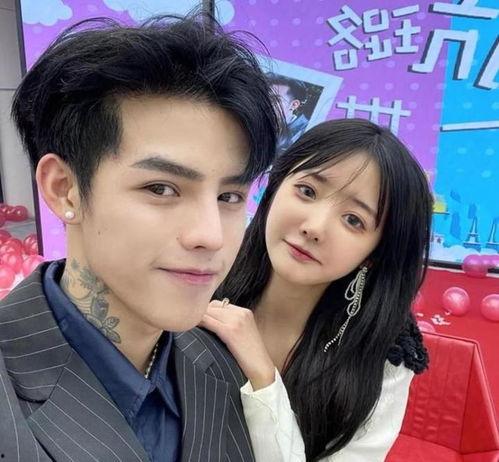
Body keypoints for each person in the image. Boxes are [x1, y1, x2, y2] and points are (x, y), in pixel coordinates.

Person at [0, 14, 280, 461]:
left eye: (230, 196)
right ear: (64, 189)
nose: (211, 236)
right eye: (161, 189)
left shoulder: (225, 361)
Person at [201, 118, 432, 461]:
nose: (314, 227)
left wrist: (263, 378)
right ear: (276, 187)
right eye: (307, 191)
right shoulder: (202, 271)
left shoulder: (381, 355)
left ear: (374, 255)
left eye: (353, 220)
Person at [267, 73, 310, 154]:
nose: (266, 103)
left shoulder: (306, 131)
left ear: (294, 105)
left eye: (275, 99)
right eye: (265, 97)